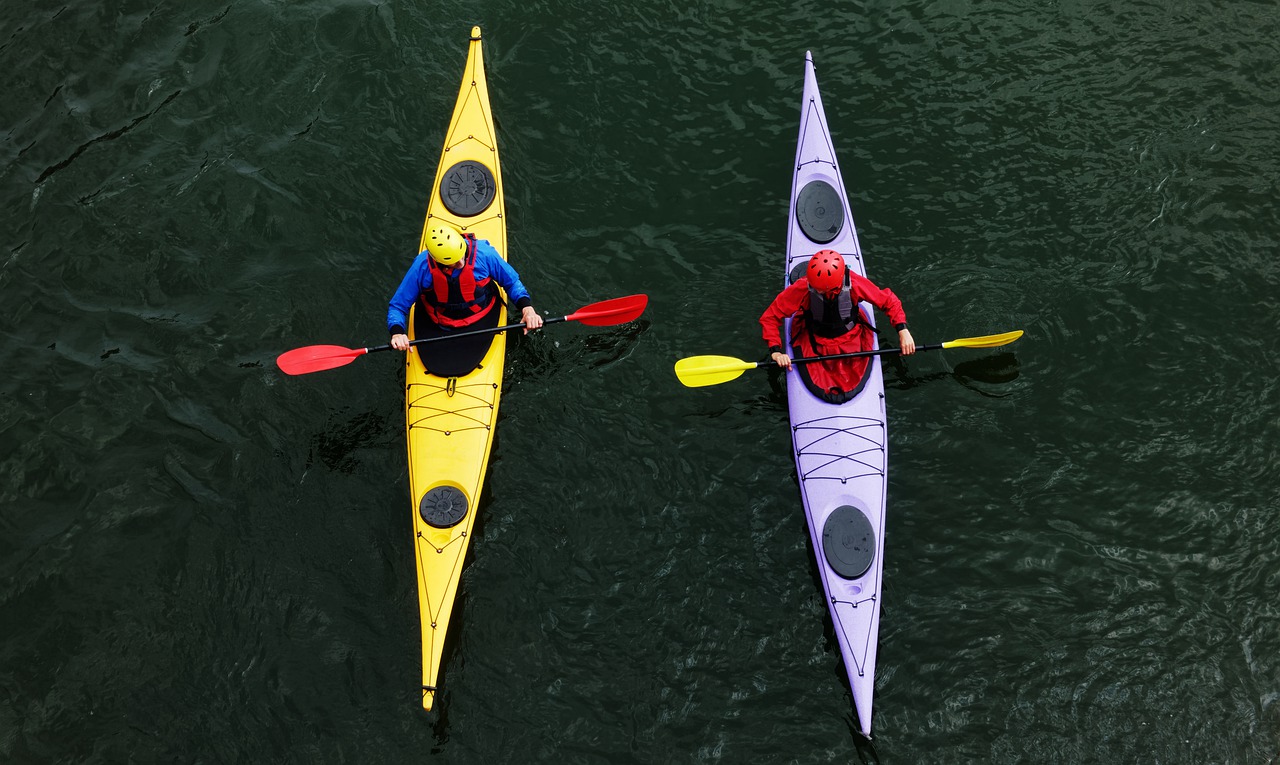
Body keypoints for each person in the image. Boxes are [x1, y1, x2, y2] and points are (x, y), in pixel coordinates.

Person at [759, 249, 915, 401]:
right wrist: (776, 351)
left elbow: (889, 300)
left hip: (851, 338)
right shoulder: (803, 287)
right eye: (814, 287)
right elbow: (770, 317)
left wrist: (902, 330)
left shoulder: (854, 283)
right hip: (814, 340)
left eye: (820, 290)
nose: (815, 291)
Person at [387, 223, 542, 352]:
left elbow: (512, 283)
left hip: (482, 318)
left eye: (461, 256)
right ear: (438, 261)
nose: (461, 264)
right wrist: (397, 333)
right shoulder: (421, 267)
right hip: (439, 324)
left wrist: (527, 308)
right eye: (453, 263)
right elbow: (397, 306)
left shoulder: (484, 254)